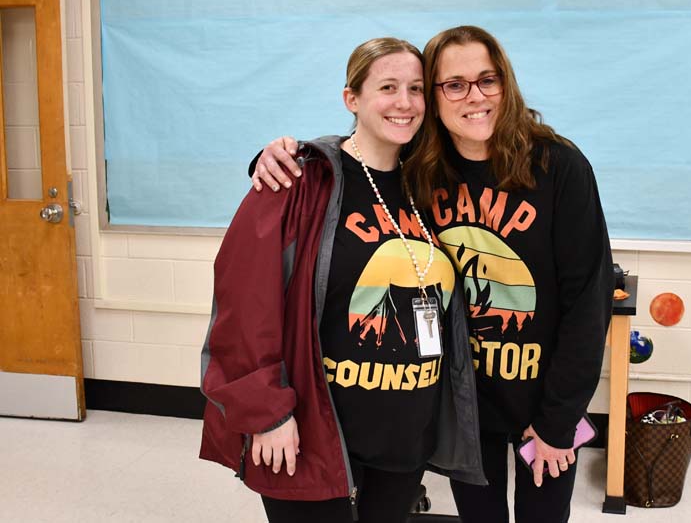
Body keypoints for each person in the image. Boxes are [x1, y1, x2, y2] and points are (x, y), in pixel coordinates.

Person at [250, 25, 614, 523]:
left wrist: (559, 418)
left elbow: (588, 303)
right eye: (454, 85)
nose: (475, 97)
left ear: (505, 83)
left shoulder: (559, 166)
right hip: (464, 403)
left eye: (487, 80)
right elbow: (358, 153)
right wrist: (278, 156)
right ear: (436, 99)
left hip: (544, 399)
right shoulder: (422, 169)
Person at [199, 37, 485, 523]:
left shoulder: (427, 185)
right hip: (316, 434)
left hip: (405, 436)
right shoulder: (297, 181)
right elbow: (244, 306)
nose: (404, 102)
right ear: (352, 98)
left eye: (416, 89)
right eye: (388, 87)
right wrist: (267, 413)